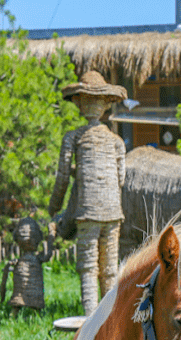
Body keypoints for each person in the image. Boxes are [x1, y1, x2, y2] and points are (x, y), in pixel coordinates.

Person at [49, 70, 127, 316]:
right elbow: (121, 178)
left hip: (87, 211)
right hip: (113, 210)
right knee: (109, 266)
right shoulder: (117, 141)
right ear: (106, 104)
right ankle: (110, 315)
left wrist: (55, 207)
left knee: (88, 265)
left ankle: (91, 316)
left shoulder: (73, 137)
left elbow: (62, 176)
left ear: (80, 103)